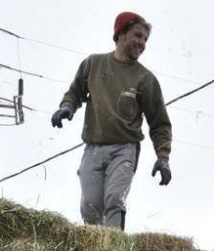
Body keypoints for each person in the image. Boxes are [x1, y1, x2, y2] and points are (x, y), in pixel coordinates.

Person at [51, 11, 172, 229]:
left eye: (145, 39)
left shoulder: (145, 79)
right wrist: (66, 108)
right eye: (137, 35)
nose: (142, 43)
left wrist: (163, 157)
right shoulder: (93, 64)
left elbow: (159, 122)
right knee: (89, 205)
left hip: (124, 149)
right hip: (93, 147)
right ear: (121, 34)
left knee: (115, 199)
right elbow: (75, 92)